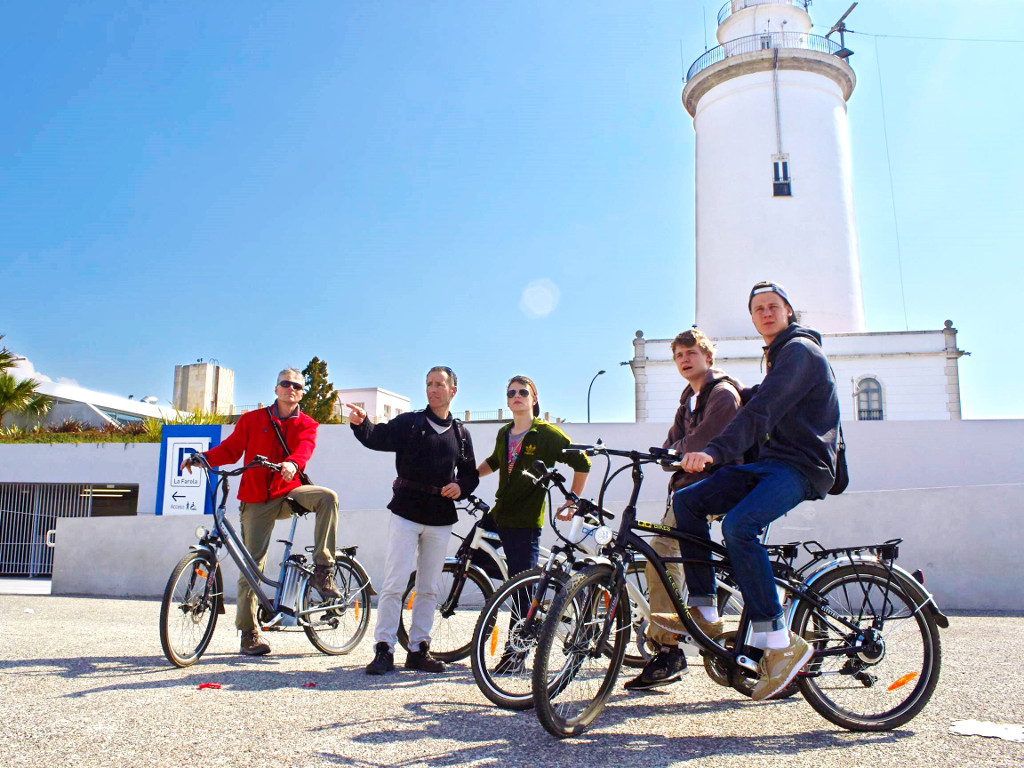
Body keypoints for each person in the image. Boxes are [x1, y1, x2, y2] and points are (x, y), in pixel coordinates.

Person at [674, 281, 841, 701]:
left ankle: (779, 640)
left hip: (802, 465)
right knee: (687, 502)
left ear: (788, 311)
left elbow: (762, 411)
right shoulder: (777, 356)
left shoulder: (800, 351)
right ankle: (705, 606)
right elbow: (757, 398)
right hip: (770, 463)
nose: (765, 313)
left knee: (739, 526)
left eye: (773, 306)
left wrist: (714, 451)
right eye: (758, 309)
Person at [182, 367, 341, 657]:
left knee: (327, 497)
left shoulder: (307, 424)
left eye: (297, 386)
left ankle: (323, 569)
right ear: (276, 388)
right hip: (255, 497)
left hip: (289, 492)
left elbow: (304, 449)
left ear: (301, 393)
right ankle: (249, 633)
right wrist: (201, 458)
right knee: (251, 565)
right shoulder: (252, 419)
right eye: (286, 384)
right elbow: (230, 450)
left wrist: (292, 463)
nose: (291, 389)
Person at [624, 329, 742, 691]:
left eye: (691, 353)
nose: (684, 360)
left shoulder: (723, 394)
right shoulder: (687, 401)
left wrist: (678, 450)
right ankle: (674, 640)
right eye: (678, 355)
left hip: (711, 490)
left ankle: (669, 649)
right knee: (666, 557)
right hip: (685, 491)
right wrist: (677, 451)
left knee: (660, 554)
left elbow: (701, 442)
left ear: (708, 356)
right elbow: (667, 452)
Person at [347, 366, 479, 675]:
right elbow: (377, 437)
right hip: (406, 512)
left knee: (428, 588)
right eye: (429, 384)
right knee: (394, 583)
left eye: (439, 384)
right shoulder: (410, 423)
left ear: (453, 391)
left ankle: (419, 649)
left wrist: (461, 487)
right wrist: (361, 424)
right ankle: (384, 649)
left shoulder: (461, 434)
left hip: (440, 518)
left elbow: (469, 475)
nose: (433, 389)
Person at [477, 376, 591, 672]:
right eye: (511, 392)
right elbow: (496, 461)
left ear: (534, 398)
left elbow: (582, 462)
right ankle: (487, 626)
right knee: (473, 556)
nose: (516, 396)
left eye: (523, 392)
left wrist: (572, 500)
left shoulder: (546, 434)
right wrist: (469, 478)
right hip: (500, 513)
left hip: (525, 520)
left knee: (521, 588)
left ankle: (517, 652)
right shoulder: (505, 432)